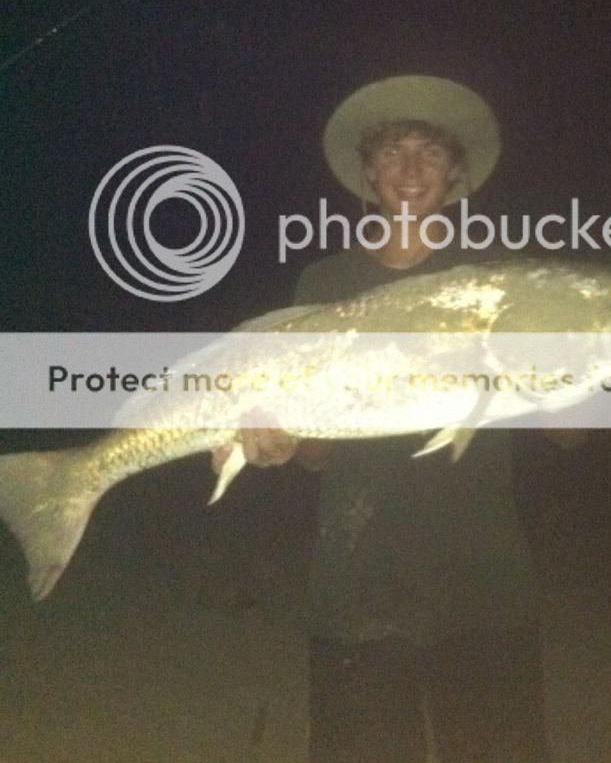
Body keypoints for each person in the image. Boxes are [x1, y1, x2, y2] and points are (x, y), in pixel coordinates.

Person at [217, 75, 558, 762]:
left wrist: (596, 366)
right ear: (367, 173)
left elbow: (569, 432)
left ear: (456, 174)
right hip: (357, 588)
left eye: (430, 152)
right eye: (391, 152)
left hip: (484, 584)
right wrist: (282, 439)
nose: (410, 169)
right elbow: (318, 454)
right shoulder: (325, 284)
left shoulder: (501, 285)